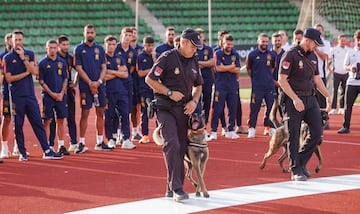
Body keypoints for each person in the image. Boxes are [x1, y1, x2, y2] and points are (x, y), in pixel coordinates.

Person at [145, 28, 203, 201]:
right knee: (172, 144)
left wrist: (194, 101)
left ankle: (170, 185)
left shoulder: (194, 60)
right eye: (193, 46)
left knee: (182, 149)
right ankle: (177, 188)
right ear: (183, 43)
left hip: (184, 110)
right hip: (166, 108)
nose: (196, 49)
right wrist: (169, 92)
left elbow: (199, 85)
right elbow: (150, 79)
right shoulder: (167, 58)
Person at [3, 30, 63, 161]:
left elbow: (35, 72)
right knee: (18, 125)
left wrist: (24, 59)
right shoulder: (7, 58)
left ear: (23, 41)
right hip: (16, 97)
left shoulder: (29, 54)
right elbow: (9, 79)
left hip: (30, 95)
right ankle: (22, 153)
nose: (18, 42)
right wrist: (25, 74)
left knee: (38, 123)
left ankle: (47, 150)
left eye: (20, 40)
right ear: (11, 41)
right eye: (15, 40)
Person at [278, 28, 329, 181]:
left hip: (310, 98)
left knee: (317, 132)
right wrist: (294, 98)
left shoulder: (313, 56)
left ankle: (299, 162)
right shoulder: (290, 55)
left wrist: (327, 95)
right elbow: (282, 80)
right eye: (315, 43)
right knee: (293, 135)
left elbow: (317, 79)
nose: (316, 47)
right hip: (293, 100)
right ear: (307, 40)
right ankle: (296, 170)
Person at [74, 24, 113, 153]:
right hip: (85, 86)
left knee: (100, 112)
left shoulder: (100, 49)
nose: (90, 34)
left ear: (95, 34)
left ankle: (100, 141)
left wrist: (99, 82)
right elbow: (78, 68)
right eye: (88, 32)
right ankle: (81, 142)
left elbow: (104, 67)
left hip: (100, 86)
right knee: (85, 113)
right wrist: (91, 83)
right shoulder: (78, 49)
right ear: (84, 33)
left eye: (92, 32)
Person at [103, 35, 133, 149]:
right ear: (105, 44)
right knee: (109, 115)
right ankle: (110, 138)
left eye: (113, 44)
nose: (111, 46)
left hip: (121, 90)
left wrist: (111, 71)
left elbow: (125, 74)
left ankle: (125, 138)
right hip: (108, 91)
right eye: (109, 44)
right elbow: (103, 76)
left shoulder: (119, 58)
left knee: (125, 114)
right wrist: (117, 72)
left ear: (116, 45)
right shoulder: (103, 58)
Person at [38, 40, 68, 155]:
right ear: (46, 49)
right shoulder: (43, 63)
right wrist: (52, 93)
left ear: (57, 48)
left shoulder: (62, 62)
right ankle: (47, 146)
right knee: (47, 121)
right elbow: (41, 81)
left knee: (61, 119)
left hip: (61, 96)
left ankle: (61, 145)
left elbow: (65, 78)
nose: (52, 50)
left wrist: (61, 93)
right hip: (48, 96)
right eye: (50, 47)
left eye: (54, 47)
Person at [209, 34, 240, 140]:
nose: (230, 46)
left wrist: (225, 67)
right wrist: (231, 67)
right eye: (228, 44)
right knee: (217, 109)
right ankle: (213, 131)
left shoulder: (235, 54)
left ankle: (231, 130)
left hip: (232, 86)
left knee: (232, 108)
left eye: (231, 44)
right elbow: (218, 68)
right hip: (220, 86)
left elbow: (238, 69)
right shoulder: (218, 53)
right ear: (223, 43)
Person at [246, 33, 276, 138]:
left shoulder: (272, 55)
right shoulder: (252, 54)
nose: (265, 43)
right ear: (258, 41)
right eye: (263, 41)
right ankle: (252, 128)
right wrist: (256, 79)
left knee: (271, 108)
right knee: (254, 108)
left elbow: (272, 68)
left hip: (269, 86)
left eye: (266, 41)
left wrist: (267, 78)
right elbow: (249, 69)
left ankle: (271, 127)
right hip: (257, 87)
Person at [115, 27, 138, 148]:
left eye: (130, 35)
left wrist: (125, 75)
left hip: (127, 84)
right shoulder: (115, 48)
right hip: (114, 83)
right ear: (121, 35)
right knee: (113, 112)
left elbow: (132, 68)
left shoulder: (133, 52)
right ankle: (115, 135)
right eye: (126, 35)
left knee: (126, 111)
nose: (128, 37)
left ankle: (125, 137)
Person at [57, 35, 78, 152]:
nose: (66, 47)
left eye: (67, 44)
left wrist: (75, 82)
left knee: (71, 117)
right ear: (59, 45)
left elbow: (78, 69)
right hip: (58, 91)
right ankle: (57, 144)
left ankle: (74, 142)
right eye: (63, 45)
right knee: (58, 119)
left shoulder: (70, 58)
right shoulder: (56, 57)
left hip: (69, 91)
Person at [337, 30, 360, 134]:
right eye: (358, 40)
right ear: (355, 40)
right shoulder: (350, 52)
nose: (359, 42)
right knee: (348, 106)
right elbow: (345, 66)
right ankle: (345, 126)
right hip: (351, 82)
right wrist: (351, 68)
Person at [194, 28, 215, 138]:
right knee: (196, 104)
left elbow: (212, 63)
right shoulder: (192, 49)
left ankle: (204, 127)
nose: (199, 39)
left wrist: (200, 63)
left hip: (207, 80)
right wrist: (203, 64)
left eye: (201, 37)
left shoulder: (209, 49)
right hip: (194, 82)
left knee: (207, 104)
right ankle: (196, 127)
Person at [137, 36, 156, 144]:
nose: (150, 47)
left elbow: (159, 71)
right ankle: (144, 135)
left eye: (152, 45)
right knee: (145, 112)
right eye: (148, 45)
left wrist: (154, 60)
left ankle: (160, 134)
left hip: (155, 89)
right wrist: (152, 69)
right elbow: (140, 73)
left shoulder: (156, 57)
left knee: (159, 111)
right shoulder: (140, 57)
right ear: (144, 45)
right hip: (144, 88)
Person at [313, 24, 331, 129]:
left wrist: (316, 49)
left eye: (320, 30)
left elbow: (324, 57)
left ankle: (325, 122)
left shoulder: (326, 43)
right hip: (309, 76)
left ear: (323, 32)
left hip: (321, 75)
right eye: (316, 30)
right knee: (311, 99)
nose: (318, 32)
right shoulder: (310, 43)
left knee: (322, 100)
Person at [0, 33, 14, 159]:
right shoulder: (2, 56)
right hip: (6, 91)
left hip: (19, 92)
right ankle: (4, 146)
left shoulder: (22, 55)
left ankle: (17, 146)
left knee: (19, 118)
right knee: (7, 118)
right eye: (10, 41)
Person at [328, 34, 348, 115]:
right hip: (336, 73)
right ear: (338, 40)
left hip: (345, 73)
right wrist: (329, 69)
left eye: (344, 40)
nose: (343, 42)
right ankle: (333, 108)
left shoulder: (348, 50)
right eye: (342, 40)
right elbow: (327, 58)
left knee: (344, 91)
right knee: (335, 91)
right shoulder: (334, 49)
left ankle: (342, 107)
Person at [270, 33, 285, 128]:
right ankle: (269, 127)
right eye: (275, 40)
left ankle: (284, 124)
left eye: (279, 40)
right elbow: (266, 72)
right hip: (271, 84)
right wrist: (274, 82)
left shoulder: (286, 54)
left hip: (283, 84)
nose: (277, 42)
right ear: (272, 42)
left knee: (283, 106)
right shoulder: (269, 54)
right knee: (271, 105)